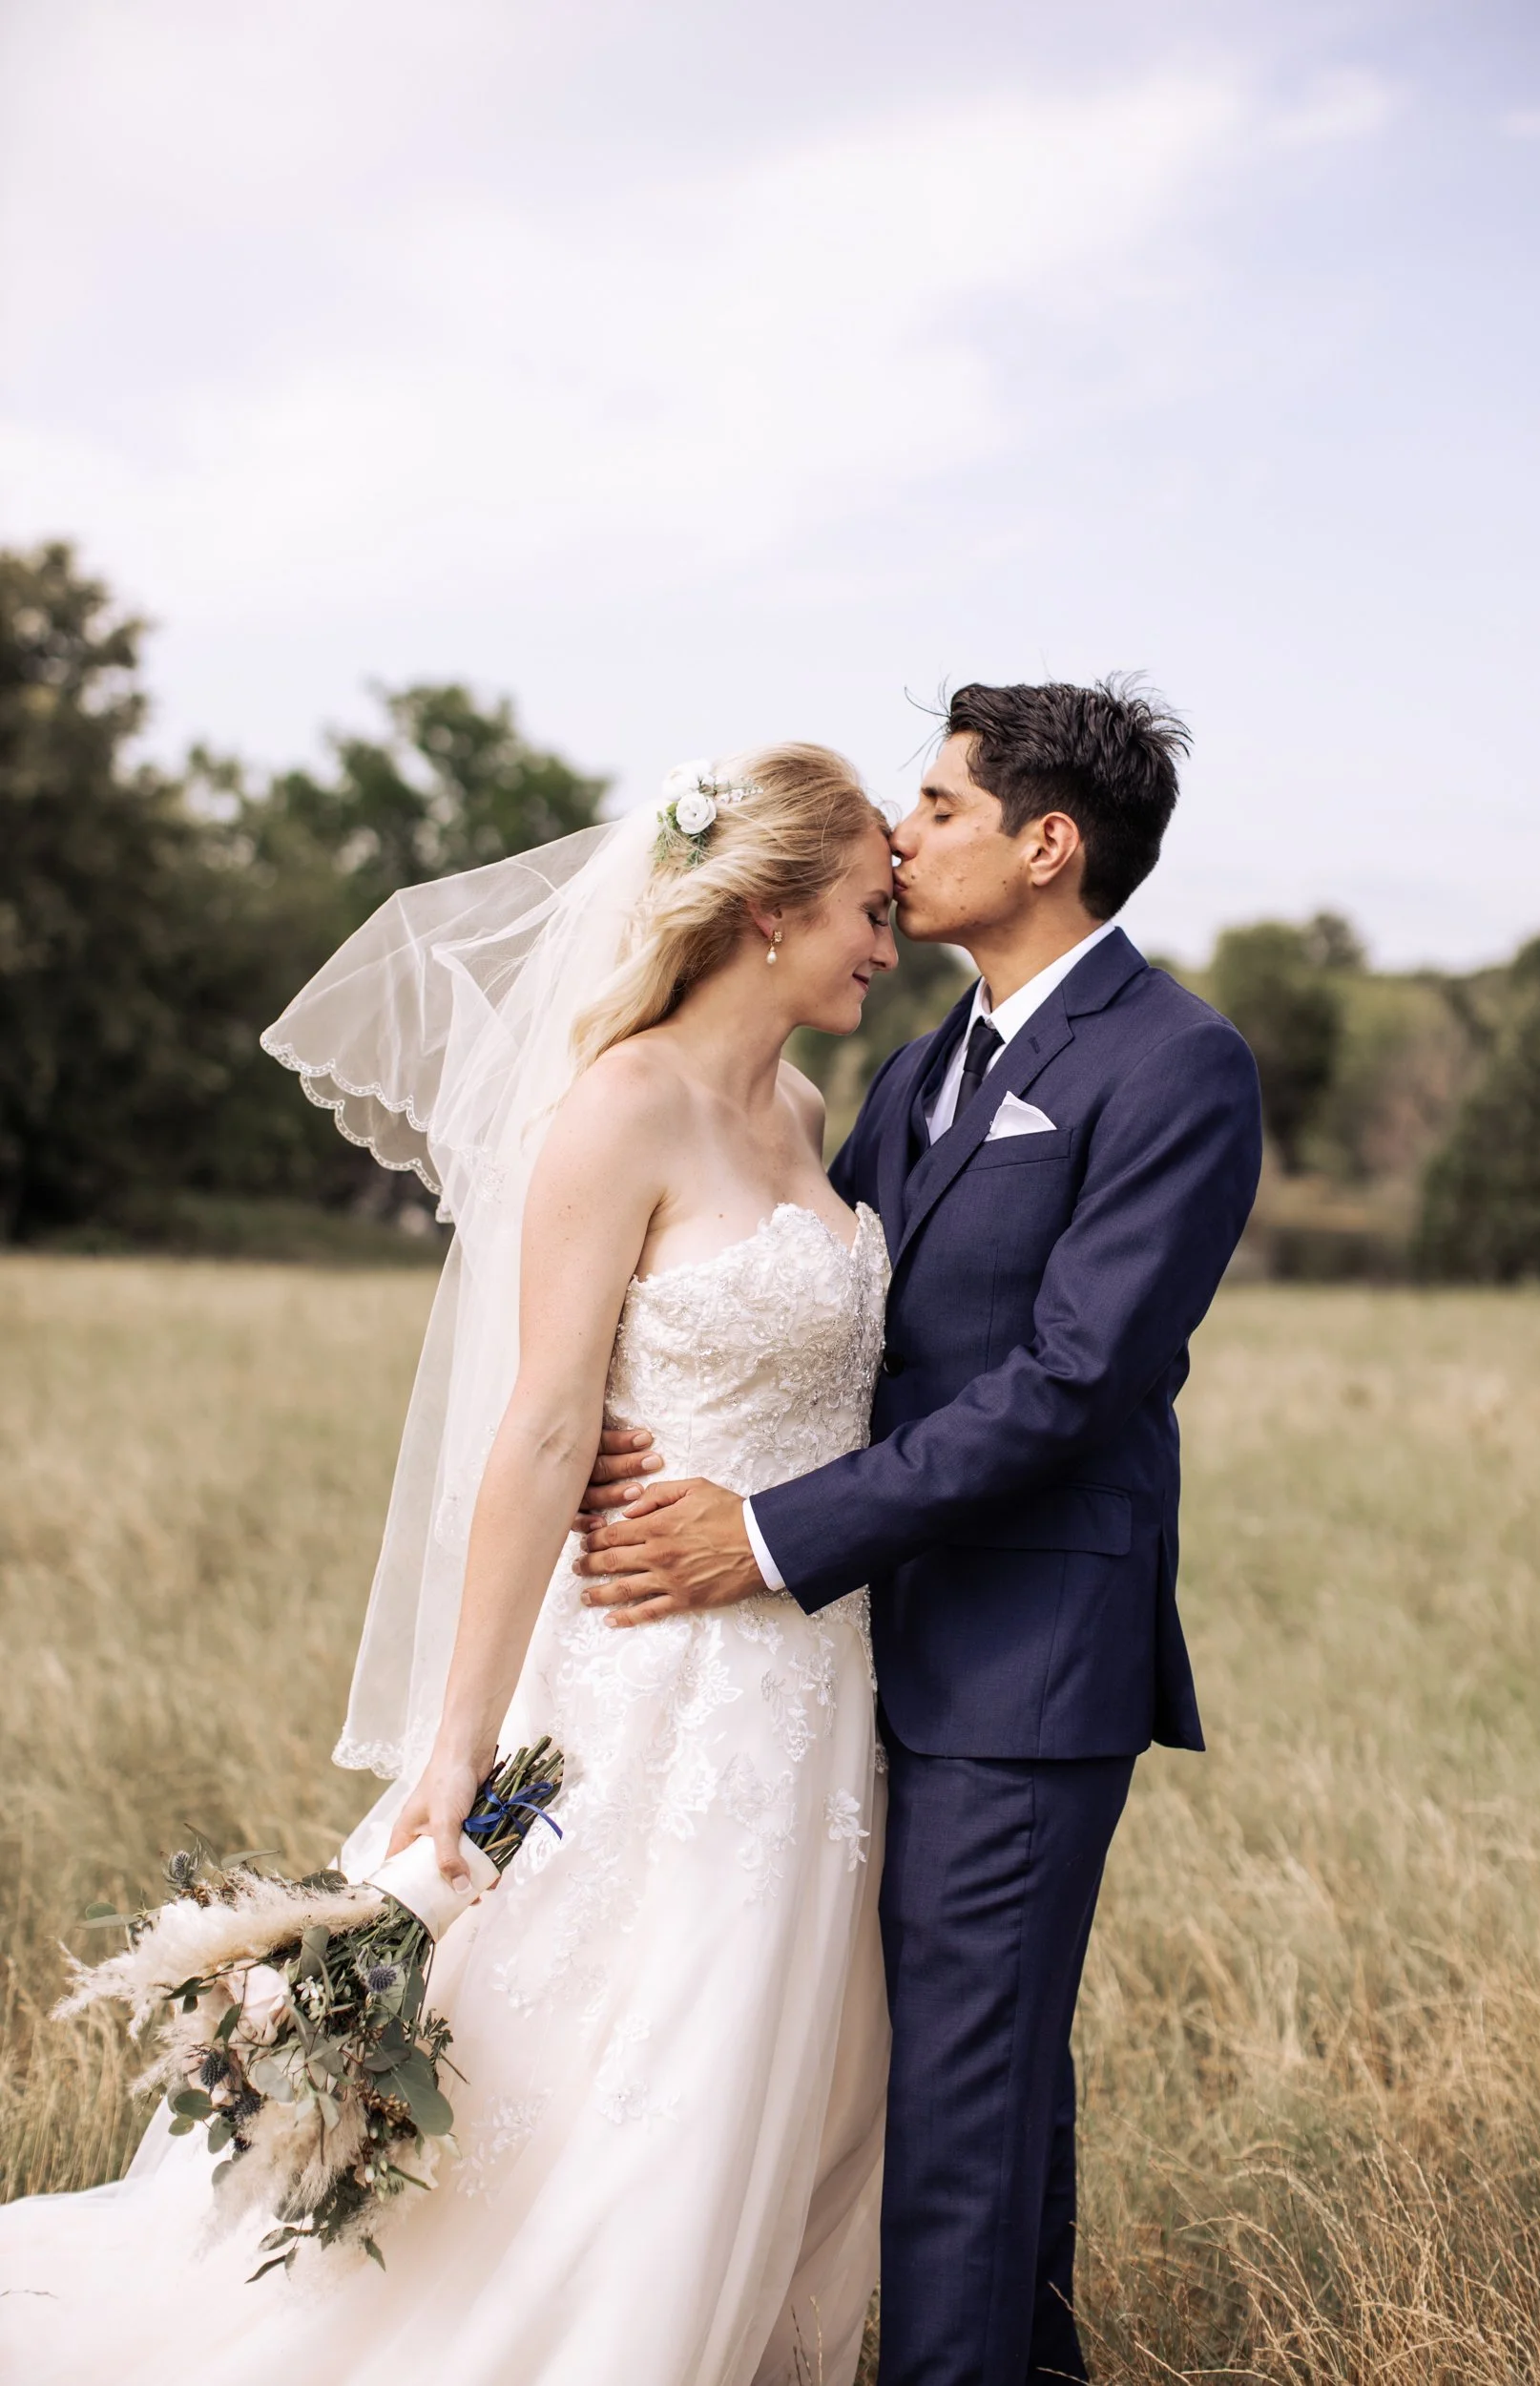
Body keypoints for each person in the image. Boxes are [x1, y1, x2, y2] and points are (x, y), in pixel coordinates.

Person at [0, 744, 900, 2386]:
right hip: (640, 1666)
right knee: (605, 2050)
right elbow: (545, 1431)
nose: (884, 943)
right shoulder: (617, 1106)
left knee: (769, 2055)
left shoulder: (799, 1108)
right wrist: (458, 1741)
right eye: (865, 911)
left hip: (804, 1672)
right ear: (767, 915)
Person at [574, 679, 1265, 2386]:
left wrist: (775, 1534)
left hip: (1026, 1660)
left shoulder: (1179, 1064)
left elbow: (1073, 1380)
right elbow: (819, 1317)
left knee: (959, 2095)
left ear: (1047, 845)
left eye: (939, 807)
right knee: (977, 2069)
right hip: (855, 1654)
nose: (900, 835)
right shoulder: (914, 1068)